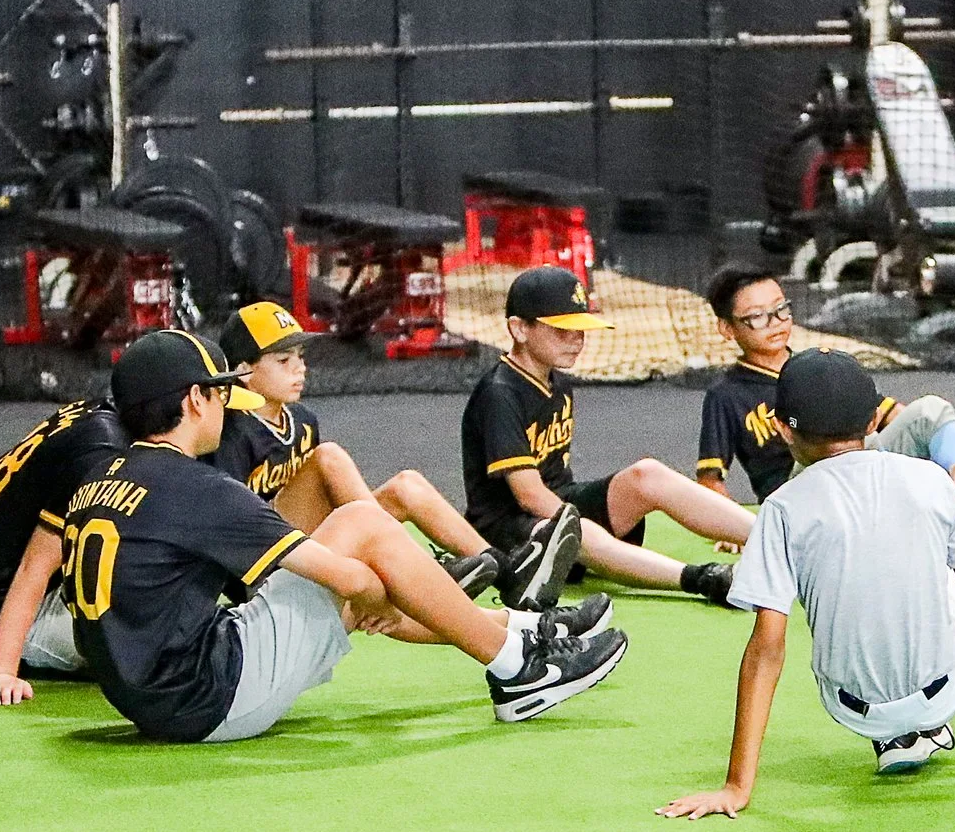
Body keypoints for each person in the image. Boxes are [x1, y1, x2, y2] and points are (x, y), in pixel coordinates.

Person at [58, 330, 627, 740]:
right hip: (210, 696)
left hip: (153, 697)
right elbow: (349, 576)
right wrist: (377, 591)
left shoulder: (102, 477)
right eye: (219, 390)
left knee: (359, 568)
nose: (228, 401)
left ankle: (528, 631)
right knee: (361, 527)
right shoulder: (194, 484)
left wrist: (371, 594)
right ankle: (517, 668)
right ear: (193, 400)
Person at [661, 349, 955, 816]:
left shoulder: (780, 509)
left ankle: (897, 737)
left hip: (850, 708)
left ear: (783, 428)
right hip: (945, 687)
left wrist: (736, 786)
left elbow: (766, 650)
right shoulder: (932, 482)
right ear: (874, 420)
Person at [466, 266, 751, 607]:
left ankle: (783, 537)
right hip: (508, 534)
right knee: (576, 529)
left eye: (581, 330)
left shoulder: (557, 381)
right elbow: (528, 496)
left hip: (557, 504)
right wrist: (580, 527)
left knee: (648, 474)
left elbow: (556, 491)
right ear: (519, 328)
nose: (576, 340)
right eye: (562, 330)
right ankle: (705, 578)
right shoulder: (500, 392)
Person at [214, 300, 516, 601]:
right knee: (328, 457)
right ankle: (422, 574)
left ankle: (511, 574)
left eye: (300, 356)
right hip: (264, 570)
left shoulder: (302, 419)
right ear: (243, 372)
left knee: (405, 487)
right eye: (283, 360)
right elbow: (234, 529)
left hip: (312, 547)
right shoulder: (230, 431)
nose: (300, 367)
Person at [696, 266, 955, 504]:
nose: (775, 322)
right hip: (797, 493)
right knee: (869, 439)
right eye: (757, 317)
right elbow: (710, 479)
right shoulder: (726, 394)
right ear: (726, 327)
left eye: (780, 309)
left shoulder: (817, 366)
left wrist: (953, 433)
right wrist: (733, 529)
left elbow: (889, 412)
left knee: (932, 412)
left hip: (854, 469)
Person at [0, 396, 124, 706]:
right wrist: (1, 671)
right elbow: (33, 566)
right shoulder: (102, 455)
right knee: (152, 648)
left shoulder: (105, 412)